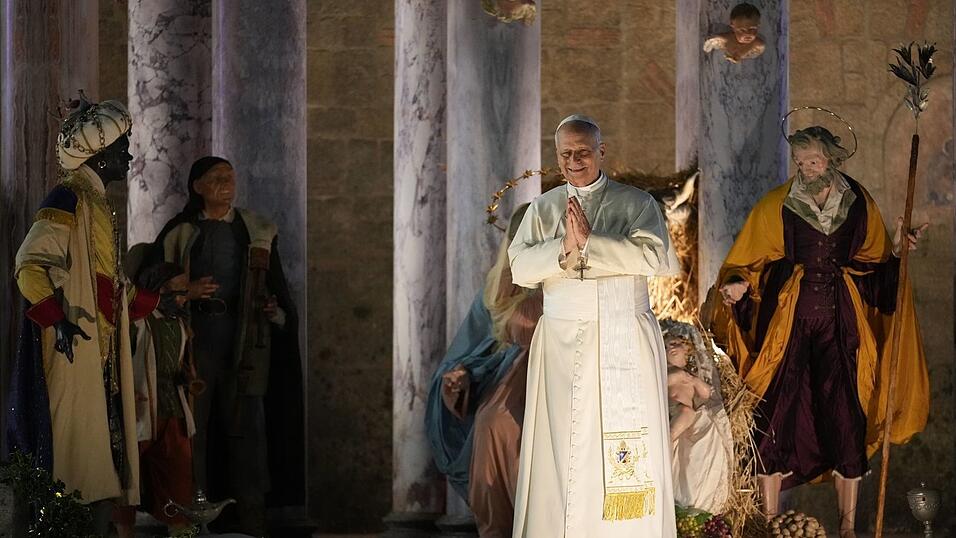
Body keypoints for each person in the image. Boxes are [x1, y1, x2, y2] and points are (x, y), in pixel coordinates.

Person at [705, 125, 929, 537]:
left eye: (814, 161)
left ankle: (847, 529)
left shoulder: (858, 204)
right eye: (800, 162)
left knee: (846, 418)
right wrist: (738, 282)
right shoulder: (778, 204)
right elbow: (747, 259)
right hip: (786, 326)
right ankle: (768, 524)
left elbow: (877, 267)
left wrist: (898, 248)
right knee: (773, 418)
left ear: (833, 160)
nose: (806, 169)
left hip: (842, 327)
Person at [508, 114, 678, 537]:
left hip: (624, 337)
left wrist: (591, 244)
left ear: (601, 151)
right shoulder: (543, 209)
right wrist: (563, 250)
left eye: (583, 152)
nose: (574, 161)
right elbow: (520, 267)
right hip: (562, 342)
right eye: (565, 154)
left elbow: (656, 258)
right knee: (564, 446)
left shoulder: (637, 203)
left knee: (618, 447)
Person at [9, 96, 168, 530]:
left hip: (98, 348)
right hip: (73, 347)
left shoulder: (95, 200)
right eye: (123, 148)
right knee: (76, 459)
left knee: (100, 459)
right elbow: (29, 263)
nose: (130, 155)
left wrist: (154, 304)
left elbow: (107, 283)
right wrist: (55, 319)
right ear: (100, 156)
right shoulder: (68, 196)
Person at [148, 156, 304, 535]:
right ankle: (188, 519)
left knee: (248, 433)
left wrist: (272, 310)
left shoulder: (256, 232)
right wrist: (188, 291)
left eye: (231, 177)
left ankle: (252, 519)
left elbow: (278, 292)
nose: (226, 184)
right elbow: (152, 288)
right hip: (194, 348)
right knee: (192, 433)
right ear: (197, 186)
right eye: (217, 178)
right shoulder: (180, 232)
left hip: (244, 347)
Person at [426, 203, 542, 538]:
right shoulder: (495, 289)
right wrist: (461, 376)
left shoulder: (563, 280)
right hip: (506, 382)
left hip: (554, 376)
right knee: (495, 423)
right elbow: (474, 348)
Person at [113, 257, 197, 538]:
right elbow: (118, 360)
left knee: (178, 480)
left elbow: (178, 362)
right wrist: (124, 391)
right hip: (141, 409)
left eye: (185, 291)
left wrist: (186, 376)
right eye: (178, 291)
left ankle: (180, 531)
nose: (184, 298)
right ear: (159, 290)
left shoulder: (181, 325)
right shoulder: (139, 322)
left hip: (173, 409)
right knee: (128, 480)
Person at [660, 319, 734, 516]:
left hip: (685, 412)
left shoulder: (689, 376)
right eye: (668, 345)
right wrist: (678, 376)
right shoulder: (664, 371)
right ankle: (668, 440)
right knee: (683, 414)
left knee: (689, 413)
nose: (673, 347)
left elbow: (706, 393)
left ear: (687, 354)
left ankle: (669, 438)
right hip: (671, 411)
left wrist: (692, 379)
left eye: (677, 344)